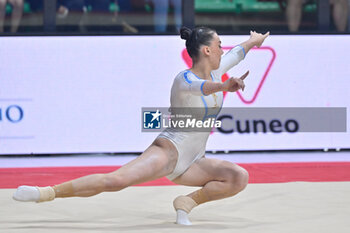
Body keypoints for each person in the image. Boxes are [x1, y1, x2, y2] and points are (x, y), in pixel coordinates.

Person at [12, 27, 269, 225]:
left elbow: (237, 54)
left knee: (238, 177)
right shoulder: (184, 79)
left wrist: (253, 42)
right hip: (169, 151)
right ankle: (46, 192)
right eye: (219, 45)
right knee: (115, 181)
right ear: (207, 51)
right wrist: (224, 86)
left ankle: (186, 202)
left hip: (194, 161)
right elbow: (200, 88)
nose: (223, 50)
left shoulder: (216, 71)